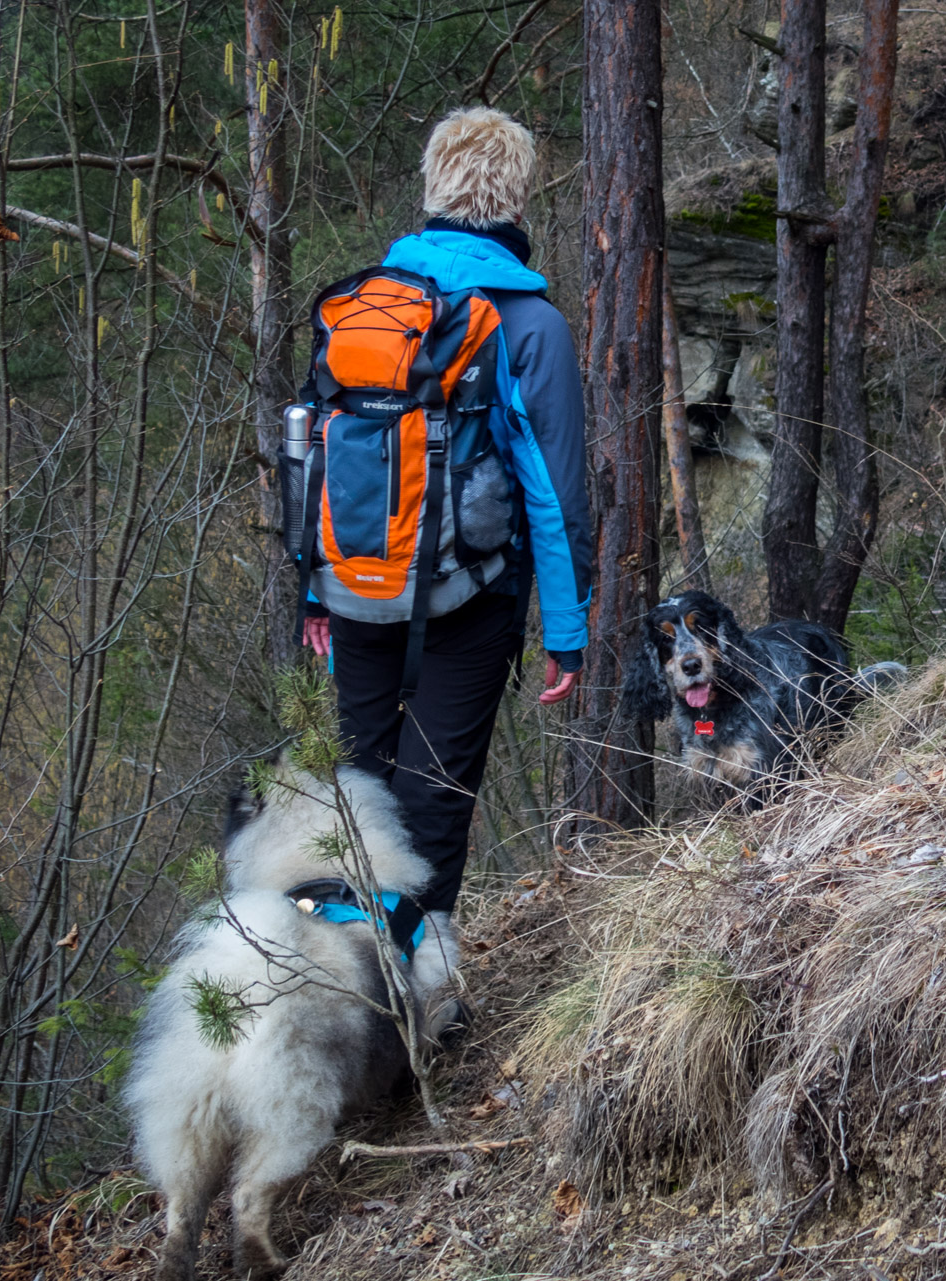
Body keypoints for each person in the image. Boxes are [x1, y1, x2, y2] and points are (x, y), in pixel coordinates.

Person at [300, 106, 591, 1022]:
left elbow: (312, 455)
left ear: (434, 185)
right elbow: (557, 491)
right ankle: (413, 1012)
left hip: (352, 587)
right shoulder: (530, 323)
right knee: (433, 799)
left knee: (360, 787)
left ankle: (335, 991)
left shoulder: (365, 304)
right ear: (517, 192)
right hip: (472, 598)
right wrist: (568, 632)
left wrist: (313, 586)